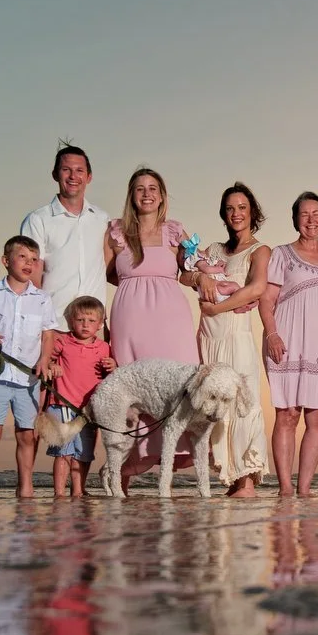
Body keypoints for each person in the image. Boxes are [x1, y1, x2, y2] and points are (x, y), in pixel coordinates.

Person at [105, 168, 215, 494]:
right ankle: (120, 476)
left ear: (162, 195)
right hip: (131, 320)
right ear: (132, 195)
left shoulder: (175, 231)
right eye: (140, 188)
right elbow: (109, 275)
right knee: (130, 390)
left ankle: (173, 471)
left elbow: (190, 270)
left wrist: (201, 278)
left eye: (153, 188)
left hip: (172, 319)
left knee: (178, 388)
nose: (147, 193)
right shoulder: (115, 231)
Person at [260, 192, 318, 498]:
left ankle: (304, 490)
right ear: (295, 219)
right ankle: (284, 489)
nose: (311, 219)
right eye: (304, 214)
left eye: (316, 213)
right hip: (288, 341)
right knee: (288, 414)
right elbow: (267, 300)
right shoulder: (282, 254)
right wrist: (272, 334)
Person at [0, 236, 59, 498]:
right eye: (22, 257)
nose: (29, 263)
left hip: (27, 379)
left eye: (34, 259)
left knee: (26, 435)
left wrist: (44, 359)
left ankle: (26, 487)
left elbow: (48, 333)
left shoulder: (42, 298)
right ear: (6, 261)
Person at [196, 182, 271, 497]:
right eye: (230, 208)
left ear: (252, 211)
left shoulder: (260, 250)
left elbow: (256, 289)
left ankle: (246, 482)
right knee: (215, 409)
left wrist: (216, 307)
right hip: (209, 339)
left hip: (237, 336)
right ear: (224, 215)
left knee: (242, 402)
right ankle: (232, 480)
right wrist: (199, 276)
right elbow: (185, 273)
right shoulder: (213, 250)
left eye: (242, 207)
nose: (236, 213)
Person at [20, 144, 111, 331]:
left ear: (89, 177)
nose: (73, 177)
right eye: (66, 170)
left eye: (79, 171)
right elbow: (31, 277)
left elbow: (109, 267)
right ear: (55, 174)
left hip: (94, 330)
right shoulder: (38, 220)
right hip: (55, 325)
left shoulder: (102, 219)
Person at [42, 296, 116, 498]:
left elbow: (111, 377)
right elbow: (46, 359)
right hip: (62, 405)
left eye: (91, 321)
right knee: (63, 452)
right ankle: (59, 493)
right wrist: (52, 365)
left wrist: (113, 367)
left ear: (100, 324)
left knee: (83, 454)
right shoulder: (63, 342)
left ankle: (78, 491)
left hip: (89, 410)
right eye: (80, 320)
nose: (85, 325)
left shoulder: (104, 348)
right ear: (71, 321)